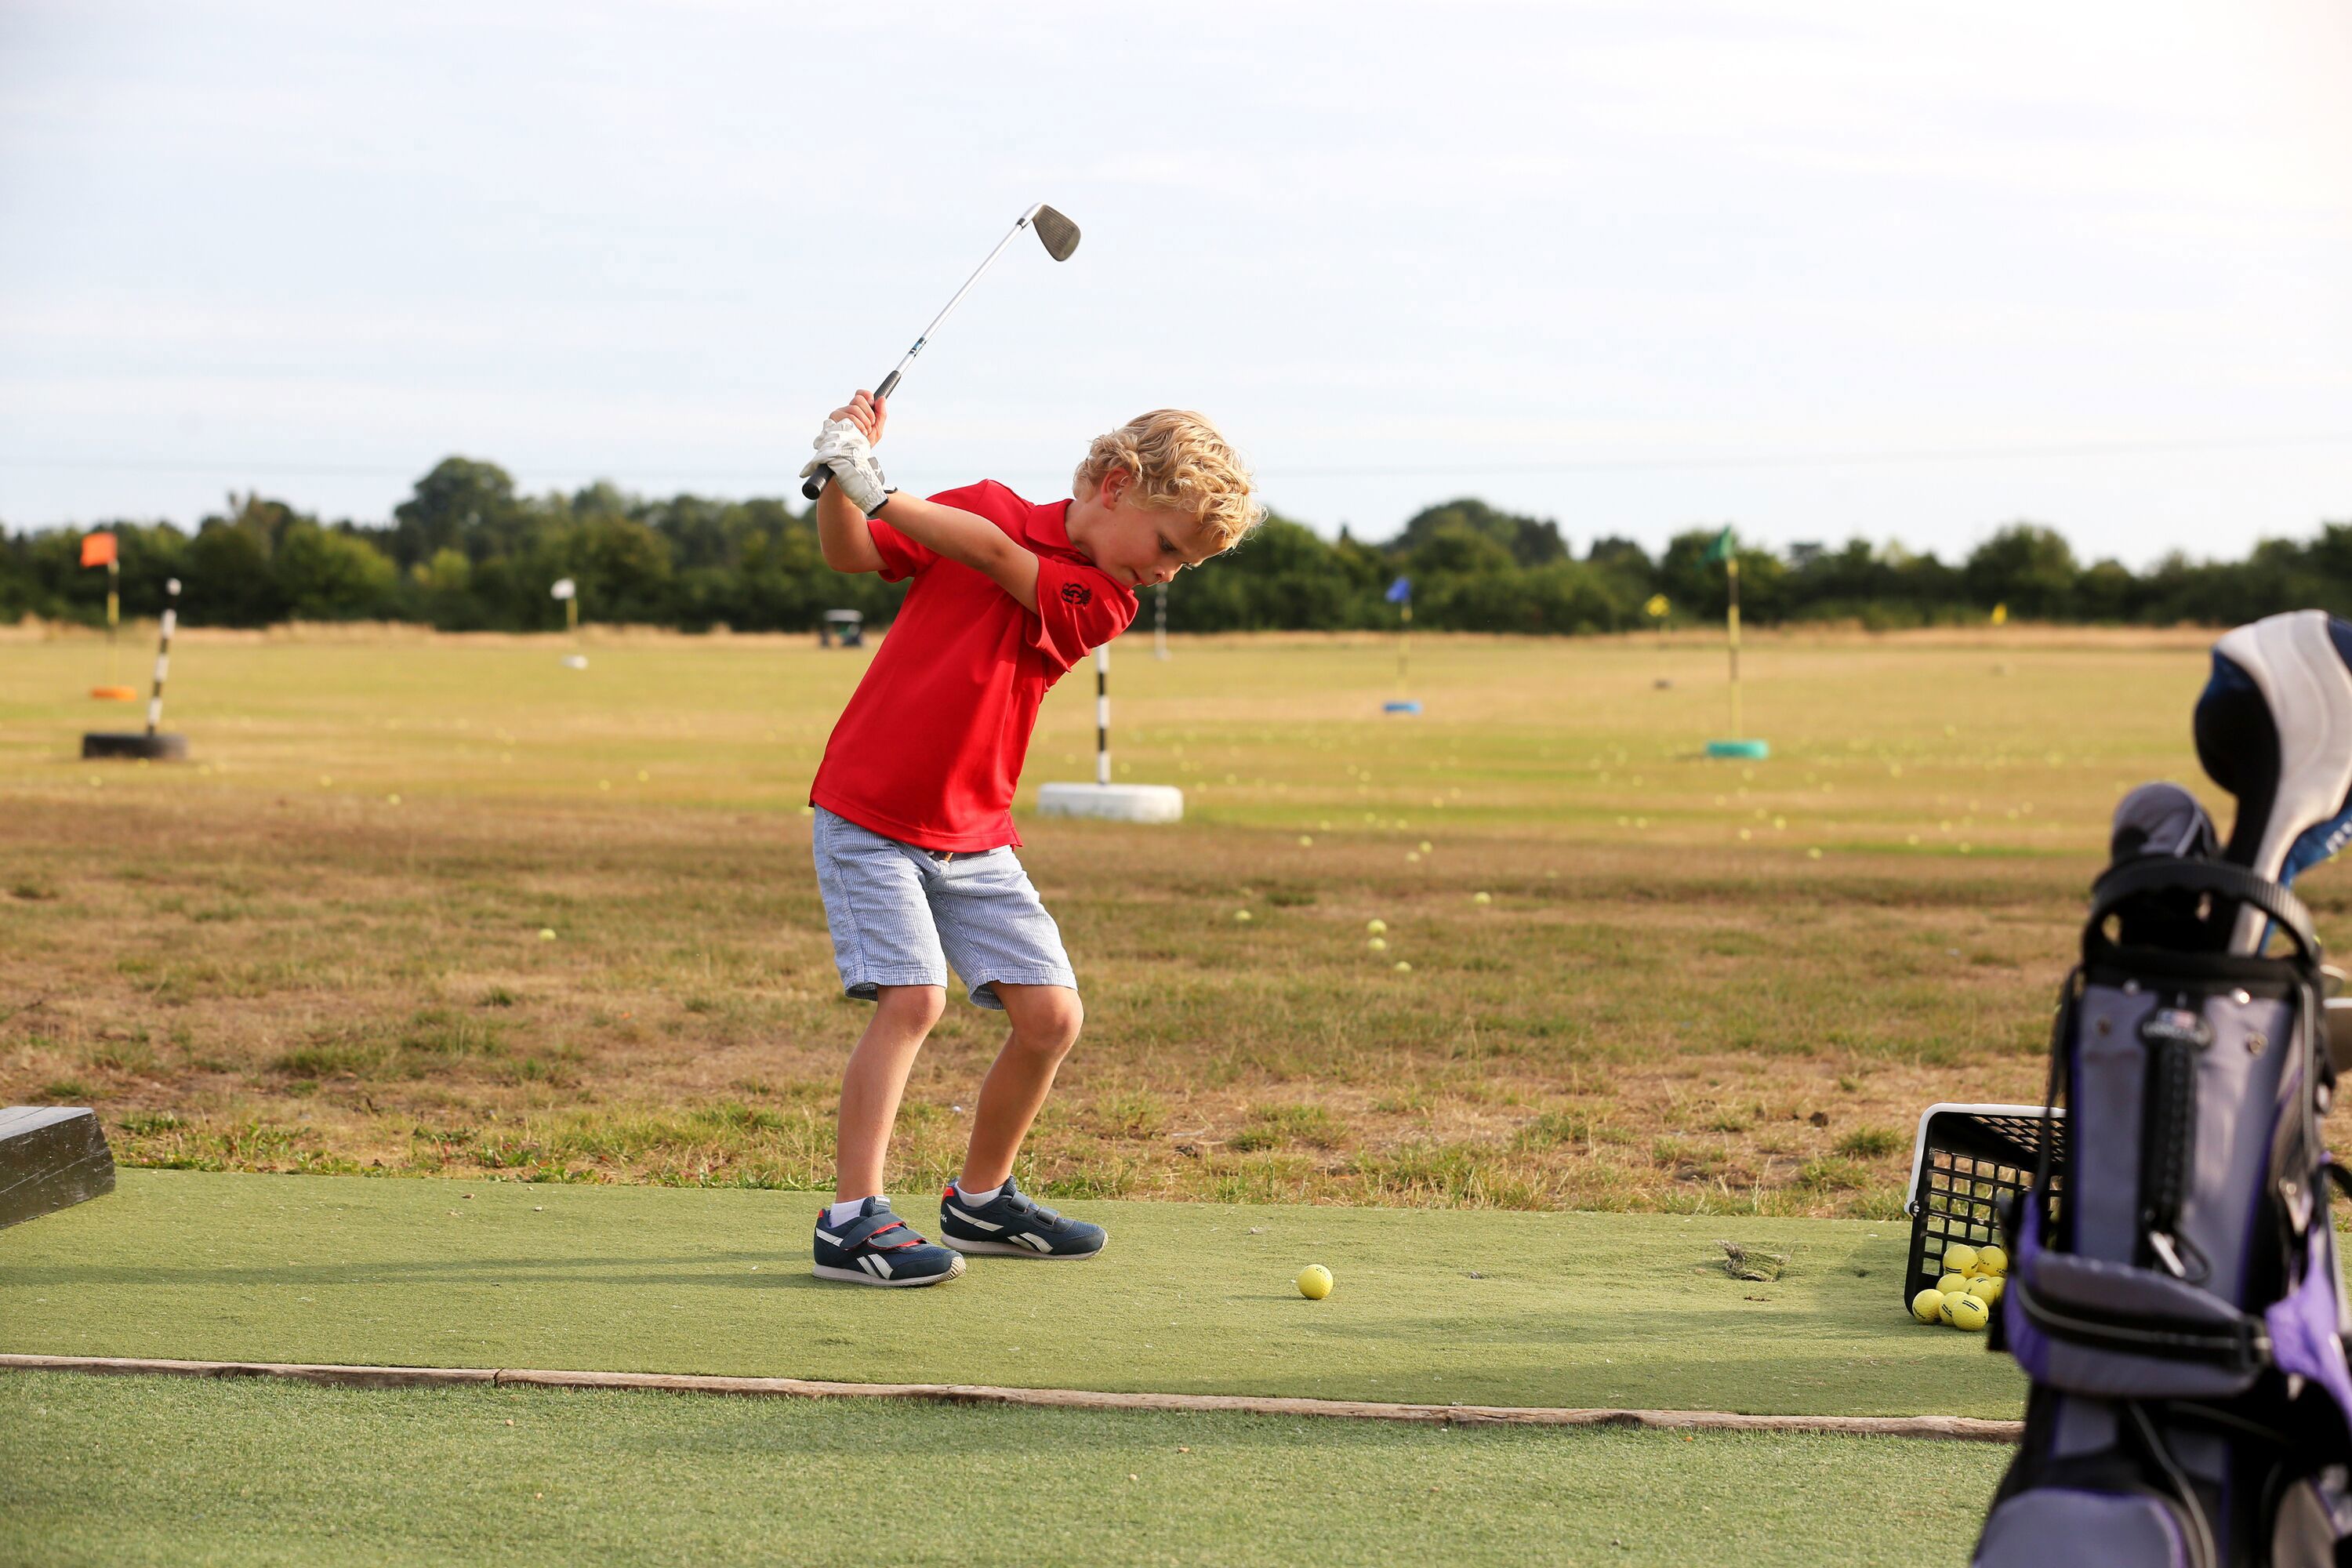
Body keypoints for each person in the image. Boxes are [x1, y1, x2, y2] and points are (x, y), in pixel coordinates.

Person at [797, 392, 1260, 1286]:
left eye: (1186, 564)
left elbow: (999, 557)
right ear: (1115, 486)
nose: (1168, 575)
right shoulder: (979, 502)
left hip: (974, 832)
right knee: (912, 1000)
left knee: (1051, 1017)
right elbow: (853, 552)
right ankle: (852, 1217)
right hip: (870, 811)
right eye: (1170, 547)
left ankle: (979, 1197)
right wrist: (839, 480)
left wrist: (878, 486)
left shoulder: (1103, 600)